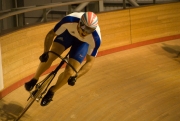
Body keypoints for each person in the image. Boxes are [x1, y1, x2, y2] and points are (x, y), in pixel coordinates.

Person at [24, 12, 102, 106]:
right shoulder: (69, 20)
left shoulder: (96, 38)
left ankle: (52, 91)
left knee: (70, 72)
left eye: (89, 30)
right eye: (84, 28)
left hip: (82, 44)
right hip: (68, 34)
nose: (85, 33)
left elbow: (90, 62)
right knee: (50, 56)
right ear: (80, 23)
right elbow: (51, 34)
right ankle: (34, 79)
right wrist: (45, 52)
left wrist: (76, 76)